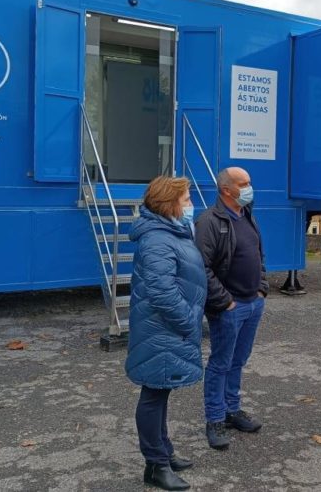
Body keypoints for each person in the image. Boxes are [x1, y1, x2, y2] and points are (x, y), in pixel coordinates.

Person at [126, 176, 206, 491]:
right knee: (153, 395)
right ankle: (155, 465)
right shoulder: (158, 239)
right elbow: (161, 291)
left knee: (160, 392)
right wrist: (189, 322)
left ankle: (164, 452)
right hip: (163, 330)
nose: (190, 205)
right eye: (186, 200)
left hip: (166, 330)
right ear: (169, 204)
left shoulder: (171, 231)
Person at [195, 167, 269, 450]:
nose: (250, 187)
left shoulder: (247, 214)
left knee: (238, 361)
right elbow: (201, 267)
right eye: (244, 183)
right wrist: (224, 301)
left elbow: (258, 254)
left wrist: (262, 288)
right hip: (229, 307)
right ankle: (215, 418)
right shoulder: (209, 221)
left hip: (253, 303)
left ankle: (231, 409)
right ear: (227, 189)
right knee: (220, 363)